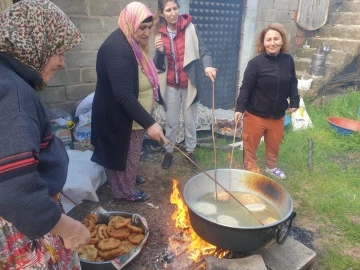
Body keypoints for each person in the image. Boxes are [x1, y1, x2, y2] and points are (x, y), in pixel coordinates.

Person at [0, 0, 90, 269]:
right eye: (58, 51)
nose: (63, 62)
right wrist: (68, 228)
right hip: (22, 229)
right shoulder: (14, 96)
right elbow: (14, 189)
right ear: (34, 42)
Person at [91, 2, 166, 202]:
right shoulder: (117, 50)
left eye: (149, 27)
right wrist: (150, 123)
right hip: (118, 115)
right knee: (122, 154)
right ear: (130, 22)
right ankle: (124, 192)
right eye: (142, 27)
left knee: (130, 153)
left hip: (131, 114)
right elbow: (123, 95)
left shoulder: (130, 42)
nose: (147, 32)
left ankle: (128, 178)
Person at [153, 0, 217, 169]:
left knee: (190, 121)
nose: (173, 13)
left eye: (175, 8)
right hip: (171, 85)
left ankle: (190, 151)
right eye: (168, 10)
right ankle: (169, 151)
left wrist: (208, 65)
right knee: (172, 122)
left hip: (189, 83)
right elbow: (158, 66)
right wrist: (159, 53)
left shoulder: (191, 28)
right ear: (161, 13)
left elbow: (204, 51)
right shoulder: (160, 35)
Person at [234, 23, 300, 180]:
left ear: (282, 41)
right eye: (268, 39)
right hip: (256, 114)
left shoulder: (288, 60)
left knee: (274, 144)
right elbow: (246, 88)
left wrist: (294, 100)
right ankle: (250, 170)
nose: (272, 43)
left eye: (276, 39)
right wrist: (239, 108)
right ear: (263, 43)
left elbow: (292, 82)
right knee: (250, 145)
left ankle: (271, 167)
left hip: (277, 115)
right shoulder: (255, 63)